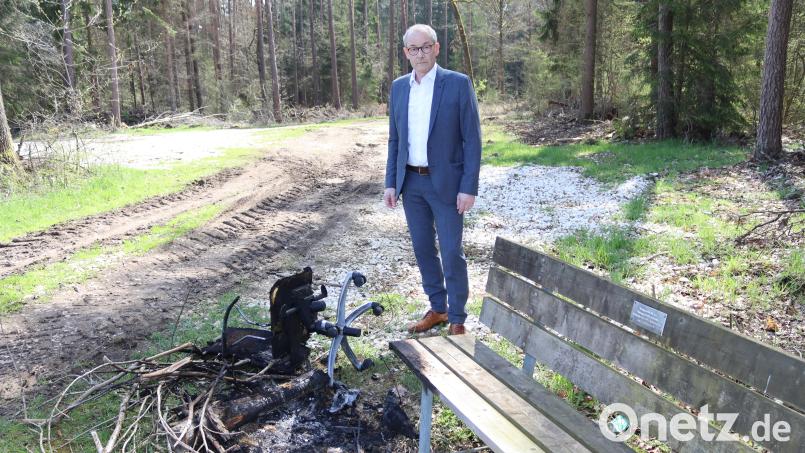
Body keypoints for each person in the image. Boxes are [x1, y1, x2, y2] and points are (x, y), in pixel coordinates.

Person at [383, 24, 482, 336]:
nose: (420, 54)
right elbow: (395, 140)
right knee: (424, 249)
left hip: (448, 185)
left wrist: (468, 187)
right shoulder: (399, 88)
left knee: (451, 252)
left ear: (436, 48)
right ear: (406, 53)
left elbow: (472, 139)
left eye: (426, 47)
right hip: (411, 183)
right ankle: (438, 308)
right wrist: (391, 182)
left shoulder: (457, 84)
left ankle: (458, 318)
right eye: (414, 49)